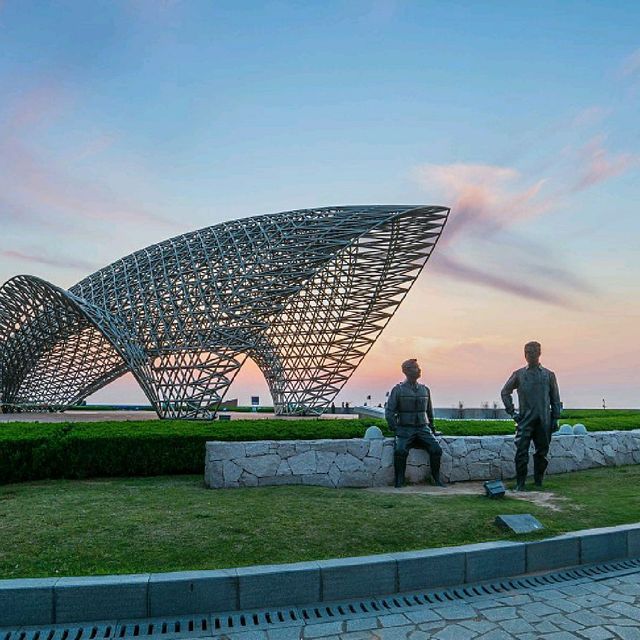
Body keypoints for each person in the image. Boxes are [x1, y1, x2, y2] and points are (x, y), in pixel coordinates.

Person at [501, 341, 562, 491]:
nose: (530, 355)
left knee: (542, 453)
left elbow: (555, 399)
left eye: (533, 352)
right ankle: (520, 483)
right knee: (521, 452)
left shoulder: (549, 375)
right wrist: (512, 412)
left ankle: (538, 481)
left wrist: (555, 419)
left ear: (539, 353)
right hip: (524, 420)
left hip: (544, 421)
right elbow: (505, 392)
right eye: (527, 352)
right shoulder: (519, 374)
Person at [385, 358, 445, 488]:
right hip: (405, 429)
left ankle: (436, 479)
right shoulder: (398, 390)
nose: (419, 370)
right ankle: (399, 480)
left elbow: (429, 412)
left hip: (423, 429)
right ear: (406, 370)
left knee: (436, 449)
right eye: (416, 368)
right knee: (400, 451)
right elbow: (389, 412)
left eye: (418, 367)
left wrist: (432, 428)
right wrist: (395, 429)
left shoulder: (425, 389)